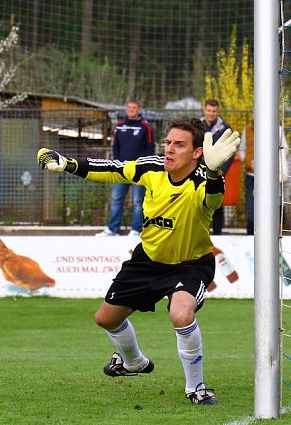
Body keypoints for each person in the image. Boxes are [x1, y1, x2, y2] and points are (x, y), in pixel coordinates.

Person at [36, 117, 240, 405]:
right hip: (148, 259)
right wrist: (69, 164)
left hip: (190, 264)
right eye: (168, 142)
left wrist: (215, 171)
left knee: (181, 313)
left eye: (179, 145)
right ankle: (133, 362)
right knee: (105, 318)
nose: (169, 149)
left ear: (197, 153)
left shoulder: (203, 182)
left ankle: (196, 388)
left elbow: (214, 199)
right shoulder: (153, 167)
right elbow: (114, 169)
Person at [96, 99, 156, 237]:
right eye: (129, 107)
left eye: (134, 107)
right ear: (126, 109)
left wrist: (144, 165)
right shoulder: (119, 126)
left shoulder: (145, 126)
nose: (131, 110)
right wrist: (117, 164)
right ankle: (112, 229)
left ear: (139, 109)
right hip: (121, 170)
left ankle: (135, 230)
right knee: (116, 199)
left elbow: (150, 148)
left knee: (137, 201)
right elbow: (115, 146)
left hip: (138, 171)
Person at [238, 117, 289, 235]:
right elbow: (242, 150)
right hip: (252, 176)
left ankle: (273, 236)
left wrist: (269, 163)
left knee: (272, 207)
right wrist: (247, 161)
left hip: (271, 178)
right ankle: (251, 236)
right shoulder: (247, 130)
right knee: (251, 208)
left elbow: (285, 150)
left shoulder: (278, 129)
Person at [202, 99, 233, 235]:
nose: (211, 113)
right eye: (209, 110)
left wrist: (222, 170)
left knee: (216, 203)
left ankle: (218, 235)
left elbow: (230, 152)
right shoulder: (198, 126)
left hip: (217, 172)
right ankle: (202, 233)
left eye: (214, 111)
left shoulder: (225, 128)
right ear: (204, 110)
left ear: (218, 112)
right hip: (200, 170)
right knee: (199, 203)